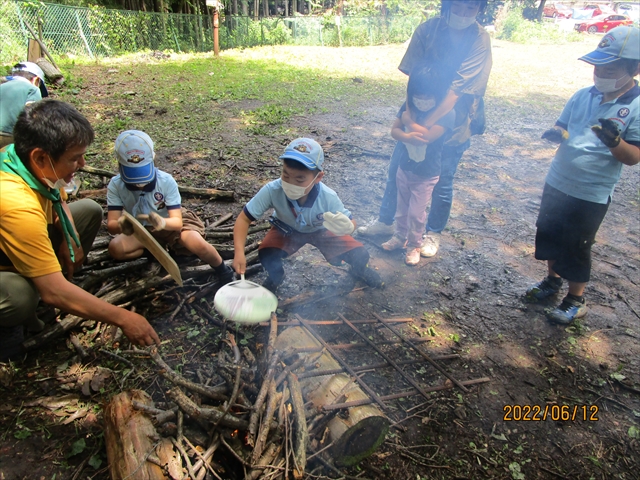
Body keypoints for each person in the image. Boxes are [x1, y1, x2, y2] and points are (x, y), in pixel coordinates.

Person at [0, 100, 160, 361]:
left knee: (87, 210)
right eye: (74, 158)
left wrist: (69, 236)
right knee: (20, 296)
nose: (83, 163)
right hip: (10, 260)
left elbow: (57, 197)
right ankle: (9, 327)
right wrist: (124, 317)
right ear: (40, 156)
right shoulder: (15, 203)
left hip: (18, 239)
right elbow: (53, 292)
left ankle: (48, 277)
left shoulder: (17, 155)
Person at [357, 0, 492, 259]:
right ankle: (387, 222)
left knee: (442, 179)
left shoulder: (479, 40)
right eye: (459, 6)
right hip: (418, 107)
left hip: (452, 118)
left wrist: (425, 125)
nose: (464, 14)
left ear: (479, 10)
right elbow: (412, 78)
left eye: (471, 9)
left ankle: (432, 233)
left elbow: (457, 90)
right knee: (398, 170)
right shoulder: (427, 30)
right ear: (448, 5)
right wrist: (409, 118)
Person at [526, 26, 640, 324]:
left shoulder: (636, 106)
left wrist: (614, 142)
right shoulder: (581, 95)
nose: (600, 73)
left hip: (590, 191)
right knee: (549, 233)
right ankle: (551, 282)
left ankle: (575, 300)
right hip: (558, 179)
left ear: (635, 68)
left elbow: (633, 158)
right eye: (597, 67)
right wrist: (557, 133)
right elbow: (564, 125)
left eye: (610, 68)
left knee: (577, 245)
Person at [232, 138, 383, 293]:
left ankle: (359, 270)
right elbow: (244, 218)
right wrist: (239, 252)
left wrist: (349, 227)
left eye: (299, 179)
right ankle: (276, 276)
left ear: (318, 177)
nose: (290, 183)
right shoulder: (272, 190)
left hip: (322, 231)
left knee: (360, 254)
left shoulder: (327, 196)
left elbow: (350, 221)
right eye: (285, 175)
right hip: (286, 229)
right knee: (266, 253)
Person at [107, 130, 235, 284]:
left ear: (152, 161)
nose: (139, 183)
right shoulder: (116, 185)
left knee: (198, 244)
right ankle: (153, 252)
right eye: (133, 177)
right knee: (116, 249)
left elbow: (177, 222)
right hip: (141, 229)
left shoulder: (165, 181)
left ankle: (223, 269)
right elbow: (111, 225)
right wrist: (122, 225)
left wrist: (161, 222)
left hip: (169, 222)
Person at [381, 65, 456, 265]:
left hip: (426, 173)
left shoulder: (446, 114)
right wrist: (405, 132)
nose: (421, 101)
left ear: (438, 95)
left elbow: (426, 137)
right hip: (404, 168)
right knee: (402, 207)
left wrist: (409, 122)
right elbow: (394, 131)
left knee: (416, 212)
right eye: (417, 96)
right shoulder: (408, 107)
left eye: (427, 97)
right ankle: (399, 236)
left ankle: (415, 244)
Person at [0, 62, 48, 149]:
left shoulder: (2, 86)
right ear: (36, 80)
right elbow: (32, 116)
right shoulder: (33, 89)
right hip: (10, 136)